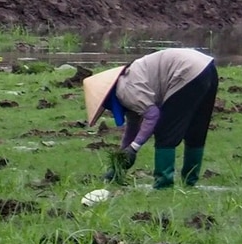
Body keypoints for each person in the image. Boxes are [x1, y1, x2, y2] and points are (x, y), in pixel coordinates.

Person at [83, 47, 218, 190]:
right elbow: (133, 126)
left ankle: (163, 184)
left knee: (165, 132)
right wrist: (120, 160)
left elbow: (152, 116)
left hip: (185, 71)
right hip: (207, 67)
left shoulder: (124, 90)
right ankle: (190, 183)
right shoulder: (127, 82)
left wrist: (134, 148)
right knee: (196, 130)